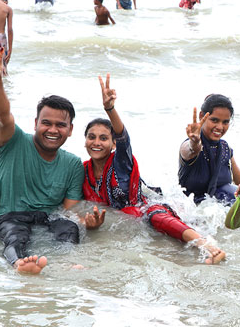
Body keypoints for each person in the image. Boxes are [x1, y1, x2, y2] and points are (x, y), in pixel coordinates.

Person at [0, 49, 105, 274]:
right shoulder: (11, 140)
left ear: (70, 131)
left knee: (69, 228)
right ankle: (20, 263)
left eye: (61, 125)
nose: (53, 130)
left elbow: (69, 211)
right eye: (46, 123)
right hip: (8, 216)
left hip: (46, 218)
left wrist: (87, 223)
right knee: (14, 235)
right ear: (36, 123)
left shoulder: (72, 164)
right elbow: (2, 115)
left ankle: (68, 261)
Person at [82, 74, 226, 264]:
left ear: (113, 144)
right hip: (130, 218)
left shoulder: (120, 162)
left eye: (103, 138)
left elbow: (123, 136)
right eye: (91, 137)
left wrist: (110, 109)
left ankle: (208, 246)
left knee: (156, 218)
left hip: (149, 206)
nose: (96, 143)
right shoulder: (83, 171)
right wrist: (86, 223)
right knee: (167, 249)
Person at [179, 94, 240, 206]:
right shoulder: (189, 146)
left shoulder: (225, 149)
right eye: (214, 120)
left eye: (225, 122)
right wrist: (194, 142)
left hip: (227, 201)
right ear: (202, 116)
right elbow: (191, 150)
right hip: (197, 209)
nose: (220, 127)